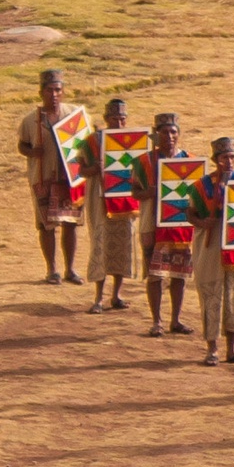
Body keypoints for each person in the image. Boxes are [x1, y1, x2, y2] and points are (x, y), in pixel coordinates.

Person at [18, 70, 93, 286]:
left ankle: (70, 268)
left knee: (70, 223)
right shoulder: (30, 120)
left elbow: (87, 143)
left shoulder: (75, 116)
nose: (54, 94)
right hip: (43, 178)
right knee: (46, 225)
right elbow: (22, 144)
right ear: (41, 92)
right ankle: (51, 269)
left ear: (63, 91)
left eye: (58, 90)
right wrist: (33, 152)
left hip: (70, 179)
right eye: (49, 90)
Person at [191, 134, 234, 364]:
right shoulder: (202, 186)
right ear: (216, 159)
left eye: (232, 157)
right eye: (224, 157)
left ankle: (232, 349)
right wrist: (202, 222)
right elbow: (190, 213)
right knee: (211, 294)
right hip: (211, 244)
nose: (229, 161)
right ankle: (212, 349)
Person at [85, 94, 148, 311]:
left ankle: (116, 295)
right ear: (106, 118)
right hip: (101, 200)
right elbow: (80, 168)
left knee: (123, 247)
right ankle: (98, 298)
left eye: (122, 118)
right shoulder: (94, 140)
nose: (118, 122)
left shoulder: (135, 142)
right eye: (114, 118)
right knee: (100, 246)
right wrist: (95, 168)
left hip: (126, 202)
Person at [141, 110, 196, 334]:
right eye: (164, 132)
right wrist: (151, 192)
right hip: (152, 223)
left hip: (179, 225)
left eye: (173, 132)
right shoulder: (144, 161)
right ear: (156, 134)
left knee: (178, 273)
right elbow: (134, 192)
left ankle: (175, 319)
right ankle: (157, 321)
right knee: (155, 274)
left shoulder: (190, 162)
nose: (169, 136)